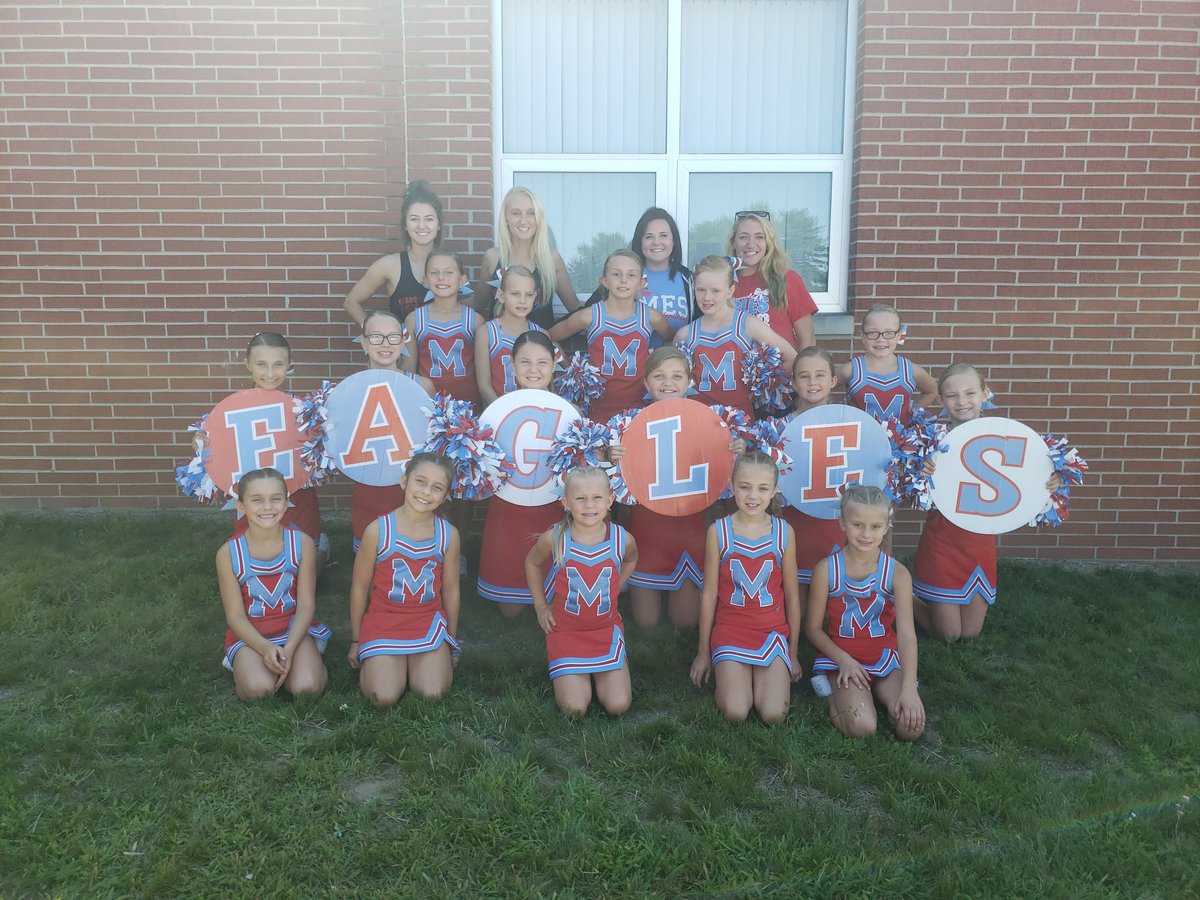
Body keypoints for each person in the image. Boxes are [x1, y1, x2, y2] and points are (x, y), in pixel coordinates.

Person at [910, 363, 1061, 642]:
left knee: (970, 633)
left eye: (970, 393)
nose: (962, 402)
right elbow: (912, 495)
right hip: (942, 541)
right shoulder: (931, 441)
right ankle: (902, 596)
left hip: (980, 544)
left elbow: (1033, 476)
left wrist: (1052, 481)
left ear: (985, 393)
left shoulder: (1007, 437)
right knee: (949, 634)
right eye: (952, 396)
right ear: (942, 400)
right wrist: (921, 474)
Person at [806, 485, 925, 741]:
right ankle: (830, 692)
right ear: (842, 522)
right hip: (843, 659)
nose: (866, 534)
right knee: (863, 728)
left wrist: (908, 689)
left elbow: (906, 636)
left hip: (882, 658)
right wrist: (843, 660)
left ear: (886, 526)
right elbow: (813, 629)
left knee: (911, 728)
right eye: (857, 524)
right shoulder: (827, 569)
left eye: (875, 526)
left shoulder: (898, 573)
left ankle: (882, 692)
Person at [690, 452, 801, 725]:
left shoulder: (784, 532)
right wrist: (703, 652)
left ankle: (757, 674)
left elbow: (792, 595)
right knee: (736, 711)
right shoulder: (719, 531)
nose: (753, 496)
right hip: (731, 630)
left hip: (771, 632)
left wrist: (793, 652)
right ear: (731, 485)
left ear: (775, 490)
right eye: (744, 487)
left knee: (774, 714)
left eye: (763, 488)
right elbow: (709, 594)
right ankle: (729, 671)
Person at [348, 452, 462, 707]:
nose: (426, 492)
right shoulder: (378, 530)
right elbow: (359, 587)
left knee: (432, 693)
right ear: (404, 482)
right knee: (383, 697)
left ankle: (422, 658)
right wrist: (356, 639)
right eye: (420, 482)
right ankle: (385, 662)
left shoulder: (448, 535)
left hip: (427, 621)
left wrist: (452, 639)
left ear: (445, 496)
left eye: (437, 487)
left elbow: (452, 590)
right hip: (384, 620)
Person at [606, 347, 708, 629]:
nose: (668, 383)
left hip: (689, 531)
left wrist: (731, 449)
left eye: (677, 376)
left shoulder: (708, 420)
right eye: (659, 375)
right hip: (647, 532)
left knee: (685, 622)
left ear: (690, 381)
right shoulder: (629, 423)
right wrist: (610, 456)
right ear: (646, 382)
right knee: (646, 623)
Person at [525, 465, 638, 717]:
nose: (589, 505)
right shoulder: (555, 538)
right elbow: (532, 563)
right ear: (566, 502)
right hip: (567, 632)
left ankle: (609, 668)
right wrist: (541, 605)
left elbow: (631, 560)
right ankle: (577, 674)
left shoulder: (622, 539)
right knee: (573, 708)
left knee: (618, 705)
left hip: (605, 629)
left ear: (610, 499)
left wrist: (617, 584)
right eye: (580, 498)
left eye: (597, 497)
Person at [216, 467, 330, 701]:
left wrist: (289, 648)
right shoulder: (228, 553)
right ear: (241, 506)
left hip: (293, 630)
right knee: (260, 691)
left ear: (287, 503)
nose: (267, 507)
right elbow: (235, 616)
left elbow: (306, 605)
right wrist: (265, 648)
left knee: (307, 689)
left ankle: (309, 663)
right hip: (252, 634)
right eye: (257, 500)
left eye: (276, 499)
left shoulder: (302, 543)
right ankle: (247, 666)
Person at [478, 331, 569, 618]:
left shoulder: (570, 412)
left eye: (542, 362)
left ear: (554, 363)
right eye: (525, 362)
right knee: (510, 611)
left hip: (551, 508)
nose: (533, 370)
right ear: (512, 365)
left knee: (558, 600)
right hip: (509, 509)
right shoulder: (495, 412)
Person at [222, 332, 328, 566]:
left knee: (304, 566)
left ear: (289, 366)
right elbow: (219, 451)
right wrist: (204, 444)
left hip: (296, 492)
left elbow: (319, 455)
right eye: (261, 364)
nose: (270, 373)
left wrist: (320, 438)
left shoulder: (303, 410)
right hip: (255, 494)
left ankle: (320, 552)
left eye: (278, 365)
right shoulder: (232, 409)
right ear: (247, 364)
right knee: (252, 564)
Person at [550, 249, 675, 423]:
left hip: (638, 408)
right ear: (605, 281)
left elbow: (672, 341)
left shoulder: (652, 317)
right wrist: (570, 368)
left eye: (631, 275)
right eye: (616, 274)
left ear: (641, 283)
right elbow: (547, 337)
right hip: (596, 410)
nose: (623, 280)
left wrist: (657, 365)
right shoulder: (589, 316)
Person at [348, 310, 436, 550]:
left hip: (409, 487)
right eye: (376, 337)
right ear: (364, 342)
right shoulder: (349, 389)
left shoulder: (423, 386)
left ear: (403, 340)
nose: (385, 344)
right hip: (368, 486)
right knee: (370, 558)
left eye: (392, 337)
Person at [675, 255, 797, 418]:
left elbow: (792, 357)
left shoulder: (747, 325)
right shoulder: (685, 334)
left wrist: (765, 388)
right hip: (699, 421)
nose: (707, 297)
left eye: (716, 290)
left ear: (730, 291)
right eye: (701, 290)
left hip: (741, 422)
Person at [776, 347, 848, 620]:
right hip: (796, 523)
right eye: (804, 376)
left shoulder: (851, 421)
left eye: (820, 375)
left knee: (832, 617)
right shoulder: (779, 426)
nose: (813, 382)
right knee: (800, 615)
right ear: (793, 382)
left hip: (834, 523)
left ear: (832, 380)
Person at [343, 180, 444, 326]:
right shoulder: (389, 265)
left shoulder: (451, 265)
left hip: (444, 349)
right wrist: (377, 334)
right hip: (403, 348)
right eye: (414, 219)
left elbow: (467, 307)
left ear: (438, 224)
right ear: (405, 225)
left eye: (429, 219)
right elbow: (351, 302)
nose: (422, 226)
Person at [479, 186, 582, 327]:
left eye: (531, 213)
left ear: (539, 218)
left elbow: (575, 307)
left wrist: (615, 304)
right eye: (516, 213)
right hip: (499, 347)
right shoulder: (492, 258)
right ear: (506, 218)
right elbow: (476, 305)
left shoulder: (552, 260)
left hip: (541, 346)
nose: (523, 220)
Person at [402, 251, 481, 411]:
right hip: (427, 406)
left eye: (449, 272)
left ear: (462, 280)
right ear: (424, 279)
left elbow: (482, 373)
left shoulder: (475, 321)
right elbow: (409, 371)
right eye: (434, 273)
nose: (441, 278)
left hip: (468, 408)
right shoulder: (414, 320)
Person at [727, 211, 817, 350]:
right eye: (743, 237)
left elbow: (808, 340)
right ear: (733, 243)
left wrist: (800, 371)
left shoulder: (788, 279)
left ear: (769, 243)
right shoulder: (722, 282)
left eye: (759, 237)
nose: (751, 244)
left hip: (779, 370)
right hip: (734, 370)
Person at [836, 303, 937, 426]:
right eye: (873, 333)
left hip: (900, 444)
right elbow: (823, 386)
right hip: (861, 442)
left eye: (889, 333)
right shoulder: (850, 370)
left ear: (899, 336)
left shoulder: (911, 371)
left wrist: (912, 413)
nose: (881, 339)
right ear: (863, 336)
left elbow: (932, 390)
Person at [474, 265, 547, 407]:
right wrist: (503, 413)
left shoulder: (542, 334)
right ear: (501, 295)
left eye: (529, 294)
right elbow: (484, 385)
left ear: (535, 296)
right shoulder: (486, 333)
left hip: (533, 414)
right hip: (498, 415)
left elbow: (547, 386)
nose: (522, 300)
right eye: (515, 294)